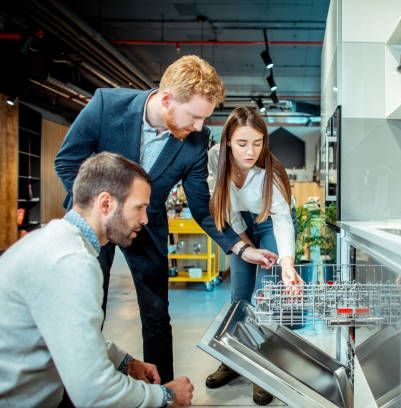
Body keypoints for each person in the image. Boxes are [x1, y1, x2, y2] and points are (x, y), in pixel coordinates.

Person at [54, 55, 276, 383]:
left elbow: (202, 207)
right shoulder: (106, 105)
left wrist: (241, 249)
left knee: (157, 313)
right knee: (88, 305)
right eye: (195, 117)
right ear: (168, 99)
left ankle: (165, 394)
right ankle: (79, 385)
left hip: (148, 225)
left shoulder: (195, 141)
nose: (200, 127)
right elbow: (67, 161)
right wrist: (99, 211)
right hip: (95, 223)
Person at [0, 152, 193, 407]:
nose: (145, 220)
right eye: (140, 207)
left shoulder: (56, 239)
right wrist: (166, 396)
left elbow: (73, 331)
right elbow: (95, 392)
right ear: (106, 204)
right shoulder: (72, 262)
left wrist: (125, 362)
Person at [205, 107, 303, 405]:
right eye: (243, 143)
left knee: (266, 296)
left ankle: (263, 368)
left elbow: (283, 219)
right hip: (240, 222)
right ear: (228, 142)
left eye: (258, 143)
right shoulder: (214, 158)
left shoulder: (269, 172)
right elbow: (223, 206)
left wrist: (286, 263)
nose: (251, 151)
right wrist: (245, 246)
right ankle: (234, 363)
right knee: (240, 296)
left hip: (271, 221)